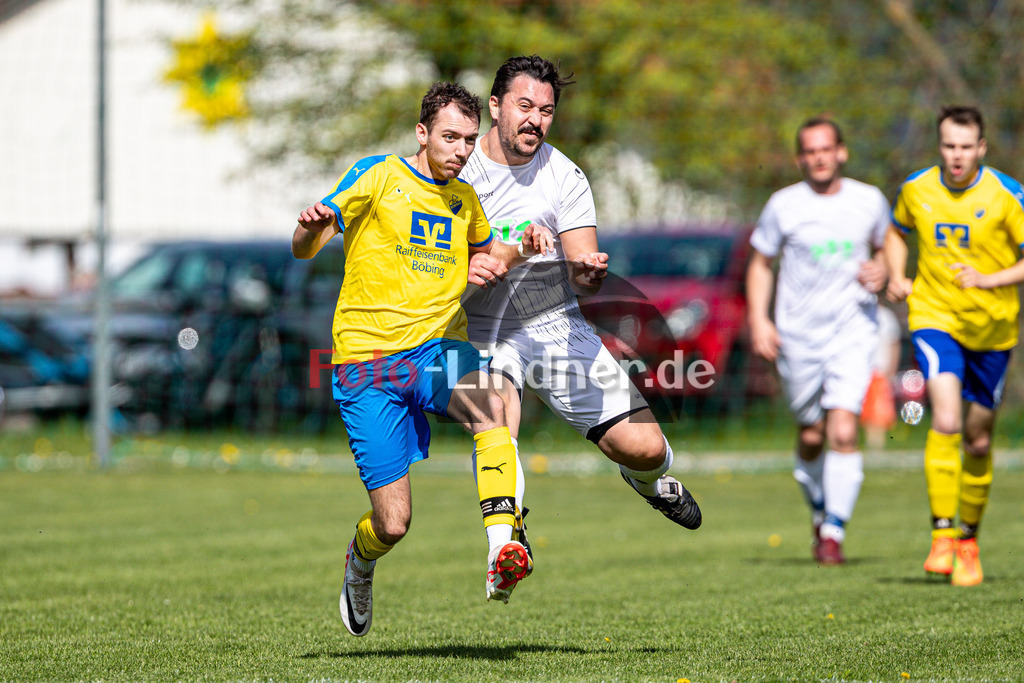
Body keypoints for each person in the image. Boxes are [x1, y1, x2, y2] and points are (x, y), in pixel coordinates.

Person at [292, 81, 554, 636]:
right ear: (422, 133)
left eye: (469, 140)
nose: (461, 150)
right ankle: (359, 563)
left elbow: (489, 247)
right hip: (366, 364)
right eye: (450, 138)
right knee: (393, 523)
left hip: (436, 348)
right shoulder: (378, 175)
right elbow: (306, 244)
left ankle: (503, 546)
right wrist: (308, 229)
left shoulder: (464, 200)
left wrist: (518, 243)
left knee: (494, 402)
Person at [459, 55, 702, 603]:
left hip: (552, 324)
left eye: (546, 111)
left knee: (644, 447)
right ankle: (503, 548)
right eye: (525, 106)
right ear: (495, 106)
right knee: (494, 417)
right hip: (480, 331)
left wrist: (586, 273)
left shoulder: (564, 175)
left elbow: (584, 273)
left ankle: (649, 481)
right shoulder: (459, 168)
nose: (535, 120)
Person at [885, 105, 1024, 587]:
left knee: (979, 440)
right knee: (944, 419)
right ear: (939, 146)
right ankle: (942, 534)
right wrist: (898, 274)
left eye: (966, 146)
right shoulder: (916, 188)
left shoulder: (1007, 196)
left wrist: (989, 280)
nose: (957, 155)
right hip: (934, 318)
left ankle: (968, 540)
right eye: (949, 145)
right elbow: (895, 231)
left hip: (994, 329)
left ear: (981, 148)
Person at [746, 117, 889, 565]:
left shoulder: (870, 200)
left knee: (844, 429)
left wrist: (884, 270)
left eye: (826, 148)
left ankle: (833, 533)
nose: (819, 157)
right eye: (809, 151)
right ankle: (820, 512)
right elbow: (760, 264)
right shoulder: (783, 205)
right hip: (798, 338)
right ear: (799, 159)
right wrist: (759, 320)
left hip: (853, 330)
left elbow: (890, 246)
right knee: (811, 434)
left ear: (841, 152)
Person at [861, 305, 901, 453]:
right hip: (860, 372)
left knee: (878, 413)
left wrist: (891, 371)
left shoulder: (886, 316)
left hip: (879, 370)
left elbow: (894, 343)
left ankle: (876, 447)